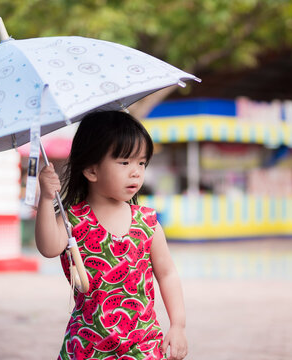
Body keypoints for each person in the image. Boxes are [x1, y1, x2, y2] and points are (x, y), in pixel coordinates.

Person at [35, 111, 188, 360]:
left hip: (143, 344)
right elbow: (49, 247)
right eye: (125, 163)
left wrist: (178, 325)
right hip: (87, 345)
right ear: (92, 170)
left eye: (141, 163)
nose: (136, 172)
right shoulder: (72, 220)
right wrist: (46, 198)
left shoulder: (147, 223)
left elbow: (167, 274)